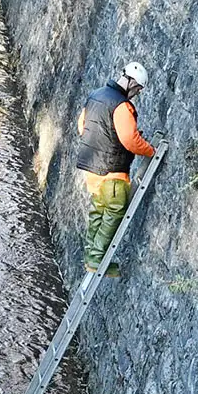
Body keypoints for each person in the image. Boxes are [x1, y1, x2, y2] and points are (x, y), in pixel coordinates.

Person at [77, 60, 156, 275]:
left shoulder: (95, 95)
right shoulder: (121, 106)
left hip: (91, 169)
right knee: (114, 211)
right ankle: (97, 258)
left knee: (98, 212)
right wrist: (150, 151)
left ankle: (90, 255)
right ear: (132, 83)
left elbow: (82, 125)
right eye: (138, 89)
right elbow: (130, 139)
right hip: (112, 171)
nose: (136, 94)